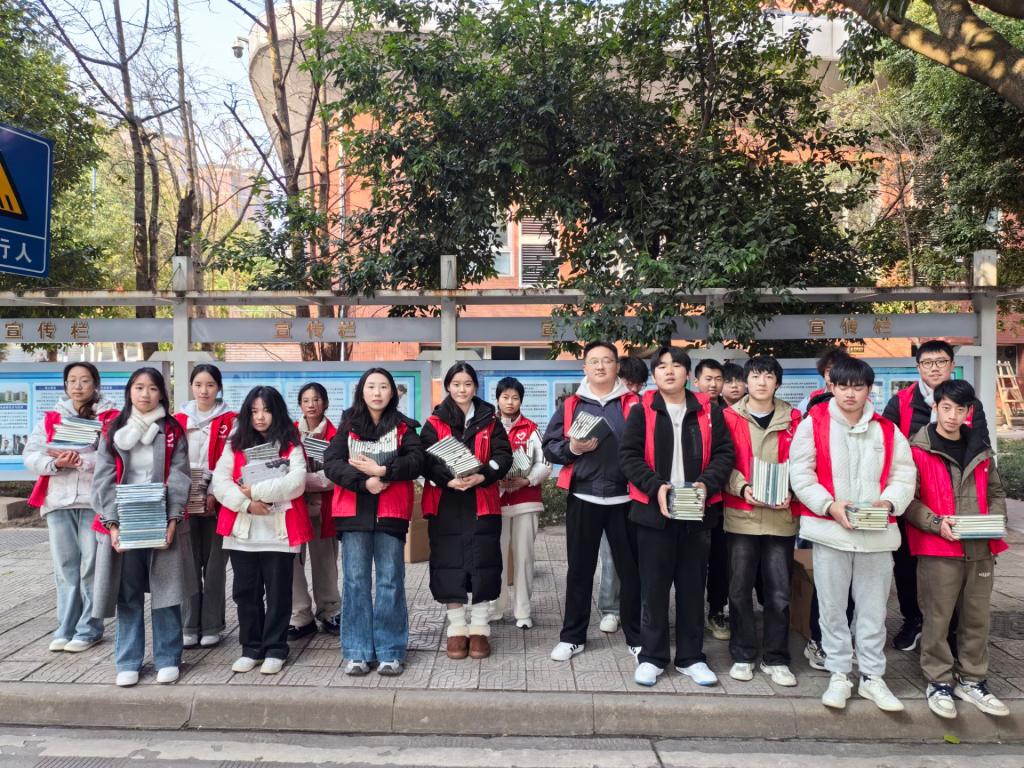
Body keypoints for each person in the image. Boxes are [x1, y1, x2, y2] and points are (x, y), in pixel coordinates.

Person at [790, 357, 916, 712]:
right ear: (831, 386)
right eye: (843, 386)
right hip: (830, 533)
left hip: (876, 537)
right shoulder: (813, 424)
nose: (850, 393)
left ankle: (873, 677)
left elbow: (904, 475)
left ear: (868, 389)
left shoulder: (887, 430)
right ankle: (839, 674)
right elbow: (801, 473)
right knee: (832, 609)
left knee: (873, 610)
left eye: (857, 387)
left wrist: (888, 503)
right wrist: (829, 505)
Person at [620, 348, 734, 687]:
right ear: (654, 375)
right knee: (653, 589)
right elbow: (629, 456)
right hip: (653, 514)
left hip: (696, 513)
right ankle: (652, 657)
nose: (669, 371)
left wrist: (706, 484)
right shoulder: (642, 410)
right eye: (662, 366)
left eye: (677, 365)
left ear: (688, 373)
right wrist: (655, 486)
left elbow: (724, 454)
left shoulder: (709, 411)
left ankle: (691, 657)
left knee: (692, 588)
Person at [905, 379, 1010, 719]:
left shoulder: (980, 448)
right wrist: (935, 522)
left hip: (980, 548)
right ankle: (938, 681)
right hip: (938, 547)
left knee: (977, 617)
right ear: (935, 407)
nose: (952, 415)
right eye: (946, 408)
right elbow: (908, 500)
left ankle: (973, 680)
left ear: (969, 412)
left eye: (960, 409)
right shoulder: (917, 449)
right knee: (937, 618)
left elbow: (995, 492)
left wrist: (995, 521)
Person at [882, 339, 989, 652]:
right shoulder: (901, 402)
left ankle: (950, 627)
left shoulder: (970, 403)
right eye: (927, 363)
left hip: (955, 498)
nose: (934, 368)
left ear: (951, 365)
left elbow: (979, 447)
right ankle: (913, 620)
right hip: (913, 497)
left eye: (941, 361)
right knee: (906, 563)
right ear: (918, 367)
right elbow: (887, 446)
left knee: (952, 564)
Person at [91, 367, 194, 687]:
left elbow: (180, 475)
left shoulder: (172, 430)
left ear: (162, 393)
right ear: (129, 392)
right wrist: (112, 524)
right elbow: (103, 478)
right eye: (138, 387)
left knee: (166, 591)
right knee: (128, 592)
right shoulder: (113, 430)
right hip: (124, 521)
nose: (145, 394)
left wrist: (173, 518)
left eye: (152, 388)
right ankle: (128, 661)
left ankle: (168, 658)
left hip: (161, 518)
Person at [543, 342, 643, 662]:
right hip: (583, 496)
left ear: (617, 367)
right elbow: (550, 447)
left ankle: (637, 637)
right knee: (579, 570)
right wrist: (573, 449)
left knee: (631, 571)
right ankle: (573, 637)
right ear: (584, 368)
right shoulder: (571, 404)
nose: (600, 366)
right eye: (594, 361)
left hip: (625, 497)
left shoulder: (635, 404)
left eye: (607, 361)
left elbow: (650, 448)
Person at [324, 367, 424, 676]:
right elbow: (332, 463)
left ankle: (390, 651)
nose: (377, 392)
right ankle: (357, 651)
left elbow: (417, 461)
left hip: (391, 514)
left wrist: (383, 472)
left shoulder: (405, 427)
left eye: (383, 386)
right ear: (361, 391)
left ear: (393, 392)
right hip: (353, 514)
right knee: (355, 582)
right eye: (371, 386)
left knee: (390, 581)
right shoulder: (348, 425)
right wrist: (364, 482)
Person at [210, 386, 312, 676]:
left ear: (277, 412)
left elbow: (296, 482)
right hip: (243, 532)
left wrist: (255, 491)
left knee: (279, 593)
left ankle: (276, 648)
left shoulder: (291, 443)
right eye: (254, 411)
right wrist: (247, 504)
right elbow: (220, 482)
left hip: (279, 533)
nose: (260, 417)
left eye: (266, 410)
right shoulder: (235, 443)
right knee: (245, 593)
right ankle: (251, 648)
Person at [24, 363, 119, 654]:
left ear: (96, 384)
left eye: (85, 380)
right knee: (65, 568)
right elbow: (31, 454)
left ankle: (89, 629)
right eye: (72, 380)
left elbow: (115, 457)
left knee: (91, 566)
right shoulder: (51, 417)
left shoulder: (110, 417)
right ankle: (65, 627)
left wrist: (82, 461)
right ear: (65, 385)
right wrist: (55, 463)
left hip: (93, 501)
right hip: (58, 501)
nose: (78, 386)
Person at [421, 362, 512, 660]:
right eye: (456, 384)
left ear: (475, 387)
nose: (462, 389)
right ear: (448, 386)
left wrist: (482, 475)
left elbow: (504, 455)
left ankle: (480, 629)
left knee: (484, 563)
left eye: (468, 384)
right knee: (449, 565)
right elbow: (425, 461)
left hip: (481, 501)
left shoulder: (490, 419)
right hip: (446, 502)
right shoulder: (434, 423)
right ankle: (457, 629)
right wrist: (447, 480)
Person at [721, 356, 800, 687]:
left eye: (769, 376)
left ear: (777, 383)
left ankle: (776, 658)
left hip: (781, 518)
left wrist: (792, 491)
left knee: (779, 593)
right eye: (755, 376)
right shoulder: (728, 417)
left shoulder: (795, 419)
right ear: (746, 381)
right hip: (742, 516)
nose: (762, 382)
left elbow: (805, 463)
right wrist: (742, 487)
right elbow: (720, 461)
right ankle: (742, 654)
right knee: (739, 590)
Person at [174, 363, 234, 649]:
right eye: (198, 384)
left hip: (217, 501)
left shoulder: (231, 421)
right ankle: (188, 624)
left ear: (218, 387)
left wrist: (213, 491)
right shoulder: (178, 420)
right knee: (187, 564)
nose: (204, 390)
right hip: (184, 500)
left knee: (214, 566)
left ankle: (212, 624)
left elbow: (231, 460)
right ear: (191, 386)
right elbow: (172, 460)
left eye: (210, 385)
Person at [491, 377, 551, 629]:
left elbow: (545, 463)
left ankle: (523, 612)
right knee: (496, 557)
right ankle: (496, 608)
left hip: (526, 501)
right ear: (497, 399)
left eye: (515, 398)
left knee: (524, 558)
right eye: (505, 397)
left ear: (521, 401)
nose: (510, 402)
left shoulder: (531, 429)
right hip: (494, 503)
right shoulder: (488, 427)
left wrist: (526, 480)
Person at [595, 356, 650, 634]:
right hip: (612, 492)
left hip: (641, 492)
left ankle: (637, 607)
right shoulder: (606, 406)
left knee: (641, 554)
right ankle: (610, 608)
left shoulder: (646, 407)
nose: (634, 390)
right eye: (630, 383)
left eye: (639, 385)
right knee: (610, 555)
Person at [289, 383, 342, 640]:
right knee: (292, 563)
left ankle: (330, 611)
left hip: (324, 509)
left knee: (326, 562)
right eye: (306, 400)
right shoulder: (289, 433)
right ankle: (300, 615)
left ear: (326, 403)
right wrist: (302, 480)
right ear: (300, 404)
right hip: (294, 508)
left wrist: (299, 480)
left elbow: (335, 474)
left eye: (317, 399)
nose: (311, 405)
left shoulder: (336, 434)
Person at [694, 358, 729, 642]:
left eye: (718, 379)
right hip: (693, 497)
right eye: (708, 378)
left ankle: (716, 610)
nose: (713, 384)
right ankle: (691, 612)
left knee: (720, 558)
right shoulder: (690, 411)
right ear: (696, 381)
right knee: (694, 560)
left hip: (724, 499)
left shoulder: (732, 413)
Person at [797, 348, 850, 415]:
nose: (832, 374)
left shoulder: (853, 396)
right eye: (828, 370)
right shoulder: (813, 398)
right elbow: (800, 418)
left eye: (837, 370)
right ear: (823, 373)